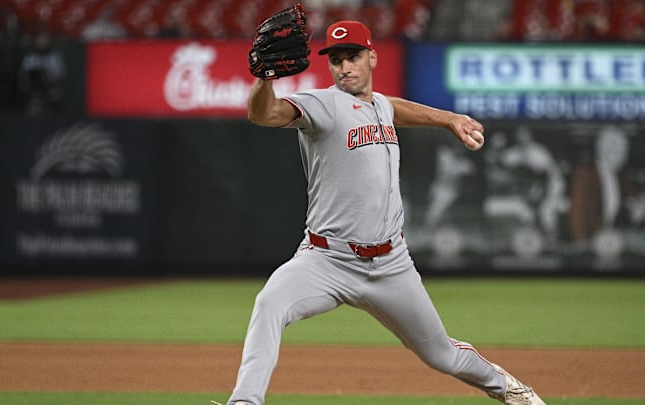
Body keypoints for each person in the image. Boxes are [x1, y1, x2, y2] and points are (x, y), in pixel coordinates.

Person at [221, 20, 546, 405]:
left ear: (372, 57)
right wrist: (265, 80)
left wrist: (449, 119)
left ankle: (511, 391)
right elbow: (266, 114)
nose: (345, 67)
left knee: (441, 353)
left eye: (353, 56)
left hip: (392, 265)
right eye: (337, 59)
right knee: (270, 302)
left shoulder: (380, 106)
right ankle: (245, 401)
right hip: (327, 259)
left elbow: (395, 109)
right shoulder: (325, 104)